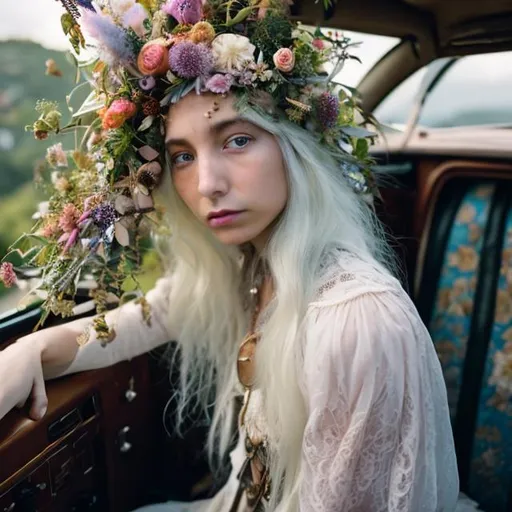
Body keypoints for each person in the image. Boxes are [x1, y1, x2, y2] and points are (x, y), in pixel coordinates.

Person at [0, 0, 474, 510]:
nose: (206, 184)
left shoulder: (355, 322)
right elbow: (148, 316)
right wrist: (31, 351)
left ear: (297, 147)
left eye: (238, 140)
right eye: (182, 156)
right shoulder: (246, 262)